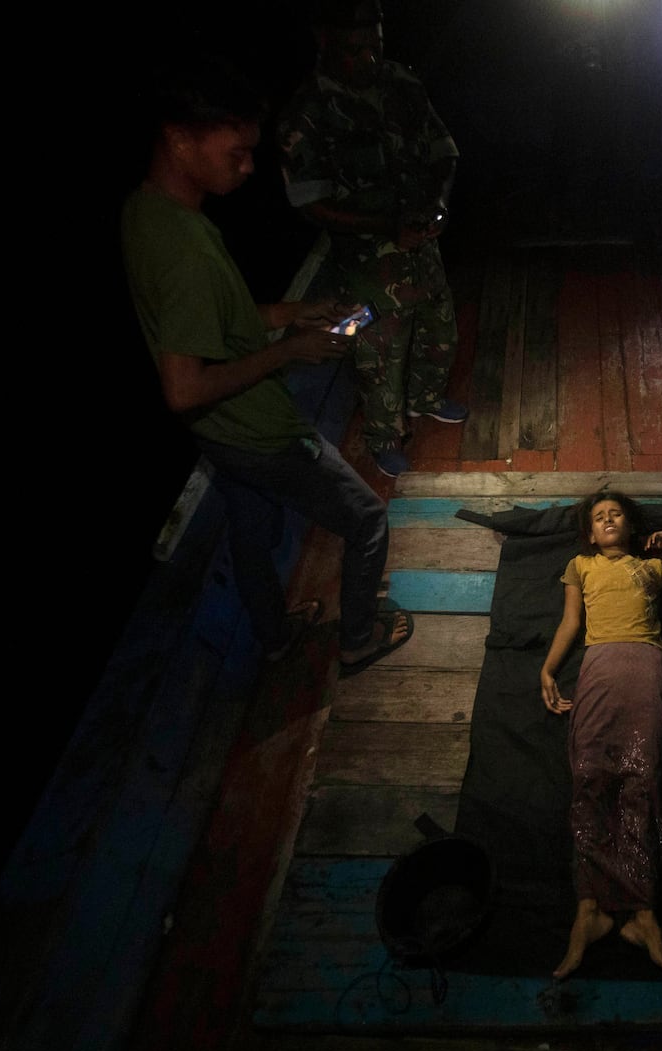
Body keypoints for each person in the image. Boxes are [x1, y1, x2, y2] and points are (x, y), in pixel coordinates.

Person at [120, 52, 412, 672]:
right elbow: (183, 386)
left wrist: (289, 314)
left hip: (218, 439)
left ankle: (273, 634)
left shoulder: (145, 213)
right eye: (237, 154)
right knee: (367, 523)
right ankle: (358, 640)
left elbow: (211, 322)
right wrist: (291, 351)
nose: (250, 169)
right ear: (179, 139)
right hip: (259, 433)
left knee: (252, 532)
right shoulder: (188, 252)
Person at [539, 491, 662, 979]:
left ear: (630, 525)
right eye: (599, 517)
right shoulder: (579, 565)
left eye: (615, 514)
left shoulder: (652, 568)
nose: (607, 520)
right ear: (589, 533)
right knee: (590, 777)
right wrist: (548, 669)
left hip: (645, 667)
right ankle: (590, 908)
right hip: (598, 668)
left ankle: (642, 913)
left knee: (644, 780)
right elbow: (571, 622)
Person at [277, 0, 465, 479]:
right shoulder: (309, 112)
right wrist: (386, 228)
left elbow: (444, 149)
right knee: (376, 355)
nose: (368, 61)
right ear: (325, 41)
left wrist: (440, 203)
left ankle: (425, 400)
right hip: (364, 267)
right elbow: (307, 203)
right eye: (354, 51)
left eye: (375, 48)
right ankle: (383, 438)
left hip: (422, 247)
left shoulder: (401, 83)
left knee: (439, 332)